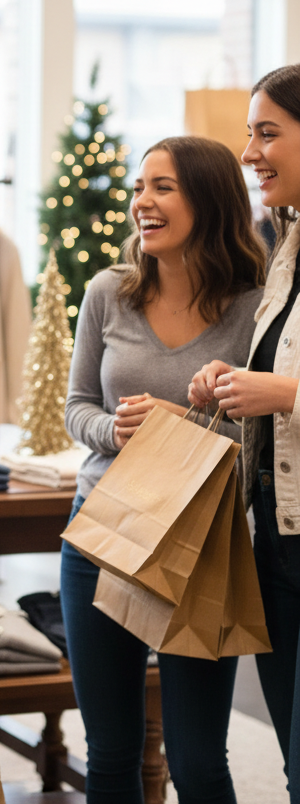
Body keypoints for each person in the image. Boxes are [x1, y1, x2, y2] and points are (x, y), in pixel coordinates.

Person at [62, 134, 266, 804]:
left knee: (199, 759)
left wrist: (205, 410)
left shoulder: (255, 305)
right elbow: (78, 409)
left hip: (203, 545)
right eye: (139, 187)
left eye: (163, 187)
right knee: (112, 755)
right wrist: (113, 429)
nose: (141, 202)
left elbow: (265, 425)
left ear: (209, 200)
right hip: (104, 535)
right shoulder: (108, 293)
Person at [190, 63, 300, 802]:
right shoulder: (286, 249)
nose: (250, 151)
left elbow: (288, 385)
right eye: (248, 134)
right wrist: (230, 382)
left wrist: (285, 392)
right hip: (278, 541)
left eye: (268, 132)